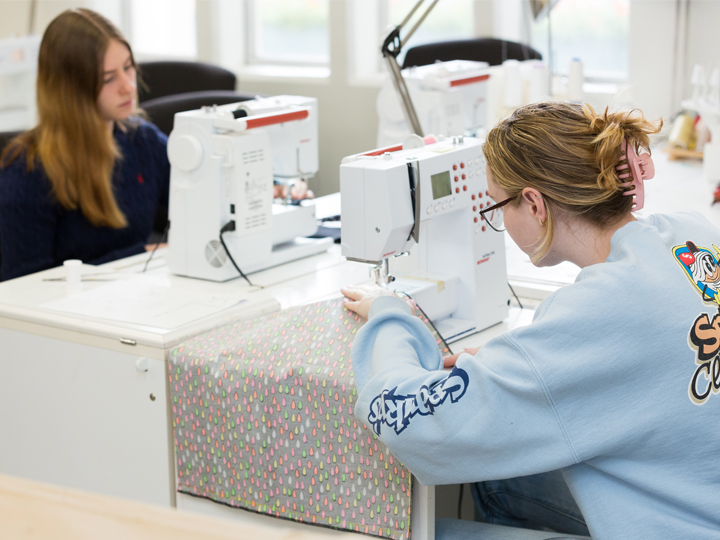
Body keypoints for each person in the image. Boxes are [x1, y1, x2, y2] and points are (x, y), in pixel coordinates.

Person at [342, 101, 720, 539]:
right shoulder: (694, 233)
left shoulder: (594, 313)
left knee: (426, 531)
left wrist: (390, 316)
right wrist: (526, 364)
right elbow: (647, 344)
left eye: (498, 206)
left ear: (535, 204)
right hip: (700, 490)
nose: (499, 219)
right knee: (501, 481)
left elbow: (407, 424)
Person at [0, 9, 169, 282]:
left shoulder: (143, 140)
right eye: (108, 78)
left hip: (134, 298)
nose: (128, 86)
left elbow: (204, 197)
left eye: (128, 67)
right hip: (64, 318)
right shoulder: (27, 172)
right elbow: (26, 288)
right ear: (71, 91)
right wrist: (137, 257)